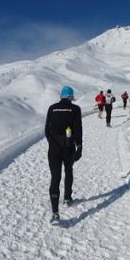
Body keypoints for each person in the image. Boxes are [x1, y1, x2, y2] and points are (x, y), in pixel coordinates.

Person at [45, 86, 83, 225]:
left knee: (55, 177)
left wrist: (54, 143)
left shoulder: (52, 108)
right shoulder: (75, 109)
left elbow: (47, 130)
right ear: (71, 97)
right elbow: (78, 128)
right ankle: (67, 198)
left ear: (60, 96)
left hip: (54, 149)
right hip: (69, 148)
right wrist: (79, 146)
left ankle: (55, 214)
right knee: (68, 170)